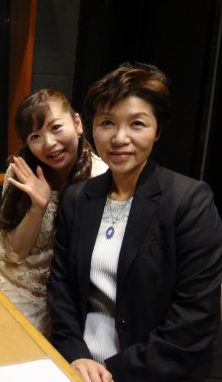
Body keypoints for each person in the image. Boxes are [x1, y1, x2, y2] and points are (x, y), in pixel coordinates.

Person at [47, 63, 222, 382]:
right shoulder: (77, 198)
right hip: (81, 366)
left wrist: (114, 371)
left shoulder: (189, 202)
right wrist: (75, 354)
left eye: (137, 123)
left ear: (158, 131)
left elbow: (194, 318)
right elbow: (61, 290)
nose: (119, 138)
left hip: (152, 371)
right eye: (107, 123)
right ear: (91, 127)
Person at [0, 89, 107, 336]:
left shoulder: (101, 179)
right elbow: (14, 253)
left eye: (56, 127)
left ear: (77, 123)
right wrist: (37, 208)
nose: (49, 143)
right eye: (35, 136)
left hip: (41, 294)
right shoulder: (22, 171)